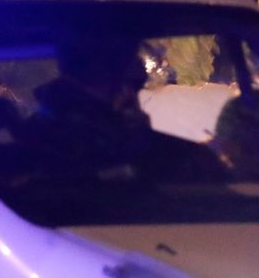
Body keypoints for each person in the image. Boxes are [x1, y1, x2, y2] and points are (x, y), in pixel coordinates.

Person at [28, 35, 227, 184]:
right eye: (131, 82)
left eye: (137, 84)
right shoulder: (44, 151)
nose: (133, 96)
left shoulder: (32, 140)